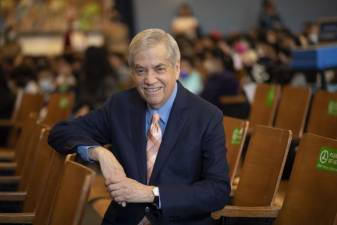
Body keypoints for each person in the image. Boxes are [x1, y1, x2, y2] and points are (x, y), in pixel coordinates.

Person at [48, 28, 230, 225]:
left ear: (177, 68)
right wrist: (99, 153)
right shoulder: (121, 105)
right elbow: (61, 132)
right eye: (140, 70)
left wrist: (151, 193)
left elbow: (217, 191)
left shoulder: (207, 116)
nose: (150, 80)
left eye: (159, 69)